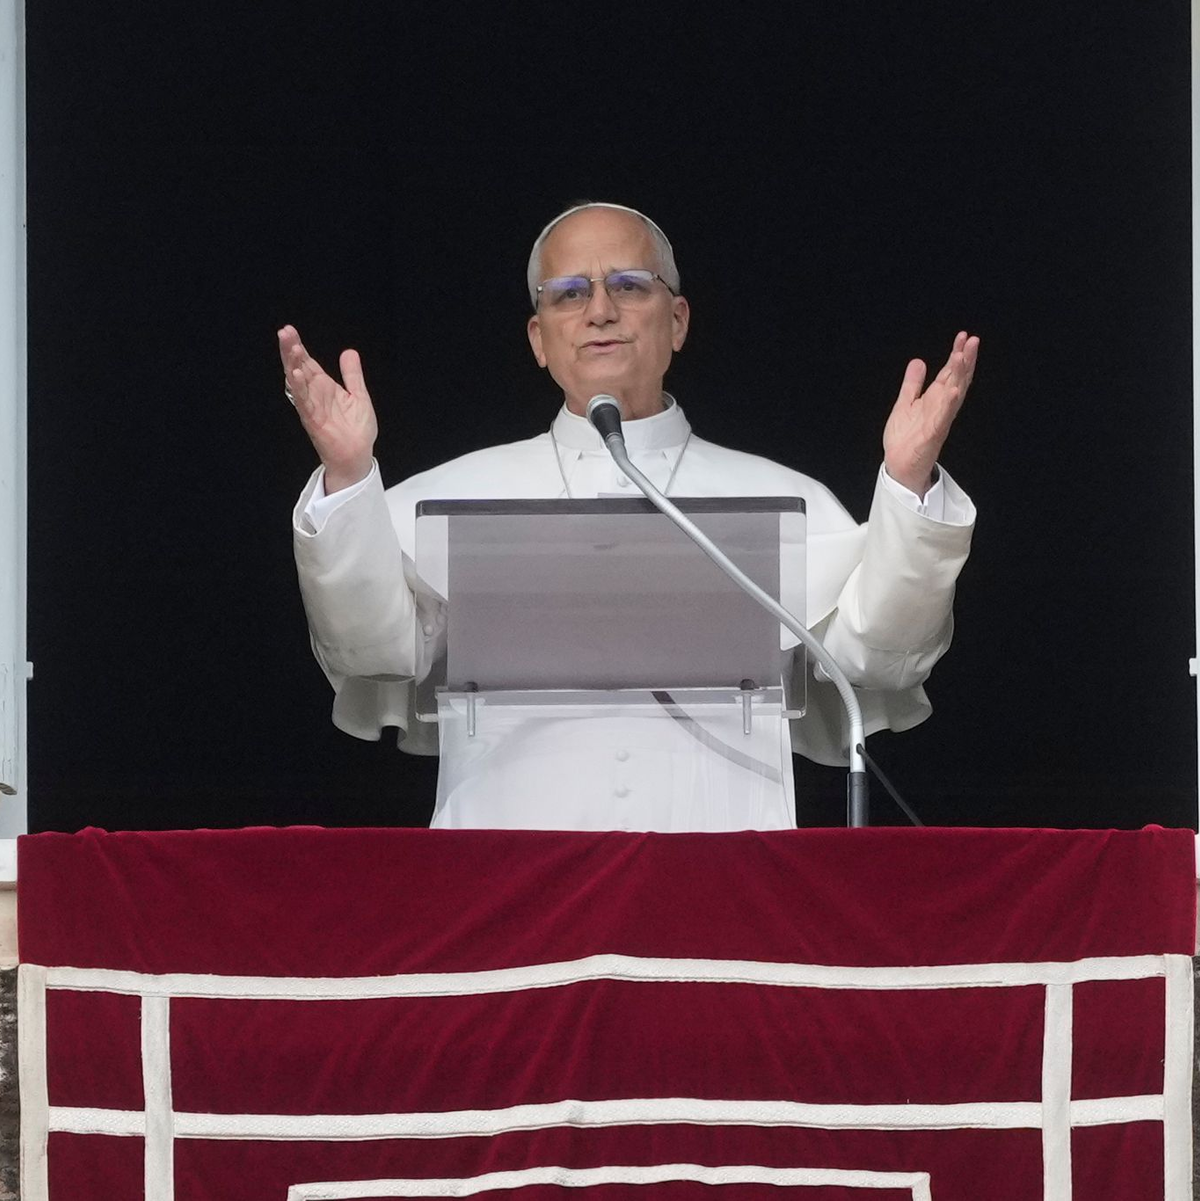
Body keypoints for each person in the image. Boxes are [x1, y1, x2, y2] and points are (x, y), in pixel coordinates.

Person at [282, 202, 977, 831]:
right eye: (569, 292)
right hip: (506, 881)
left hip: (721, 876)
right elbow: (372, 649)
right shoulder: (451, 495)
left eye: (629, 285)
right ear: (538, 339)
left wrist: (908, 482)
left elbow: (879, 657)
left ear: (678, 321)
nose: (600, 311)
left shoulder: (782, 497)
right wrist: (348, 478)